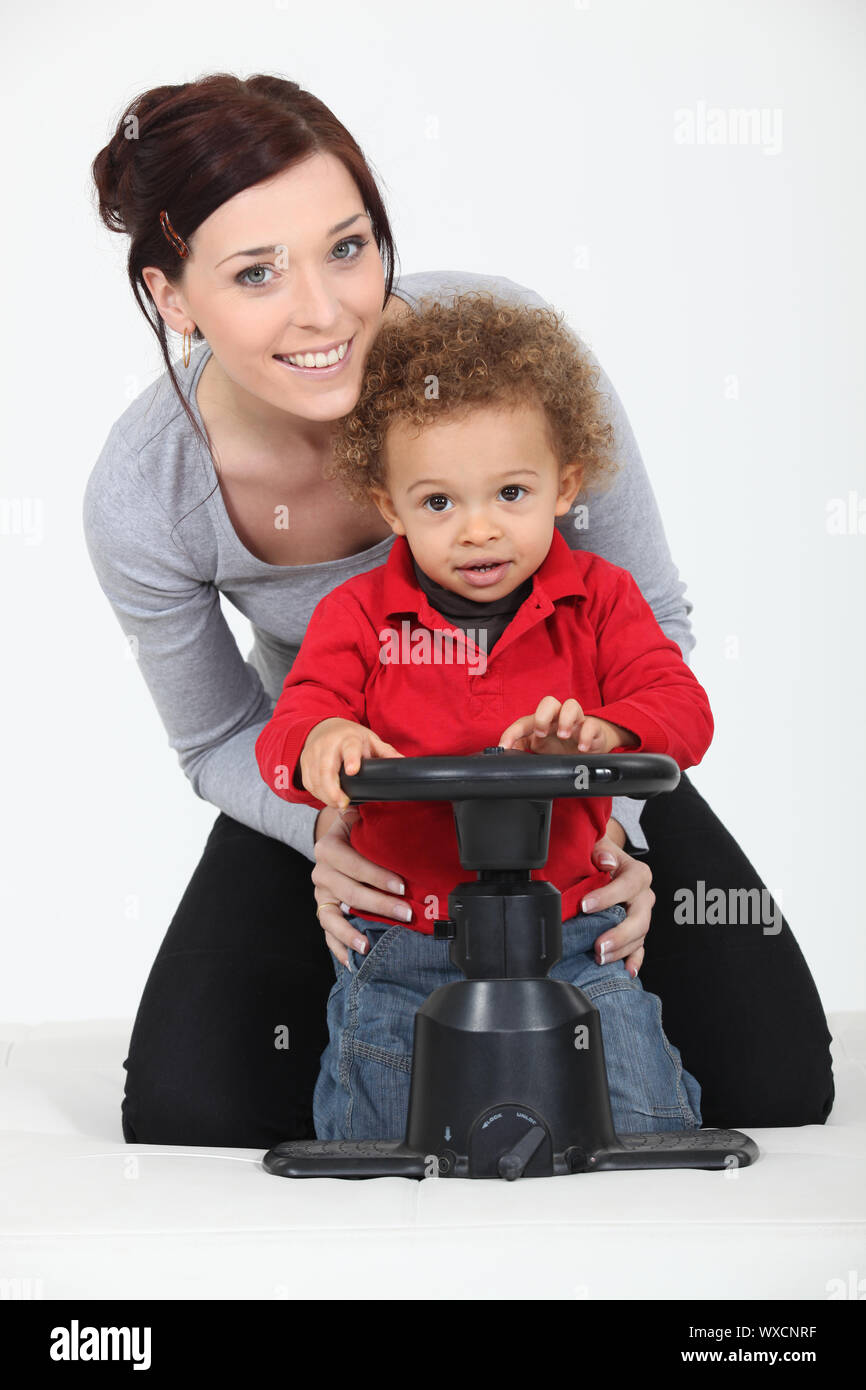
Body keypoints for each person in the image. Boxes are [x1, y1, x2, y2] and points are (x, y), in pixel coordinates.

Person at [83, 73, 833, 1148]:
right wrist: (326, 831)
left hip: (566, 758)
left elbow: (649, 620)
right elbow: (214, 738)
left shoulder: (509, 356)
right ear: (173, 295)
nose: (322, 309)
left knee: (771, 1080)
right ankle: (394, 1021)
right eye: (255, 273)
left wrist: (596, 825)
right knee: (192, 1106)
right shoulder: (145, 492)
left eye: (347, 246)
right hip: (353, 771)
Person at [255, 291, 716, 1140]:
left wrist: (611, 731)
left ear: (564, 486)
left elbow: (683, 709)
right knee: (375, 1134)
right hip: (403, 938)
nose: (477, 530)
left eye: (510, 493)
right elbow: (288, 731)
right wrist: (323, 739)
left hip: (577, 931)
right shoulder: (357, 617)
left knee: (647, 1126)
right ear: (389, 506)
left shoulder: (603, 601)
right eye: (438, 504)